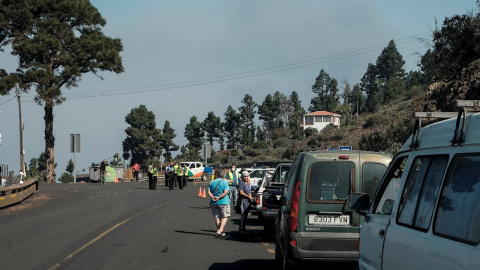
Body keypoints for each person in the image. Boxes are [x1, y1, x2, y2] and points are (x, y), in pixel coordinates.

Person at [208, 169, 230, 237]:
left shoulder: (212, 182)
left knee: (217, 217)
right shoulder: (224, 182)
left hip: (214, 202)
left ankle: (219, 231)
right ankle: (220, 229)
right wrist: (219, 197)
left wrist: (213, 197)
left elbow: (209, 191)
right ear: (223, 175)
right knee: (225, 216)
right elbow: (226, 192)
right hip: (224, 202)